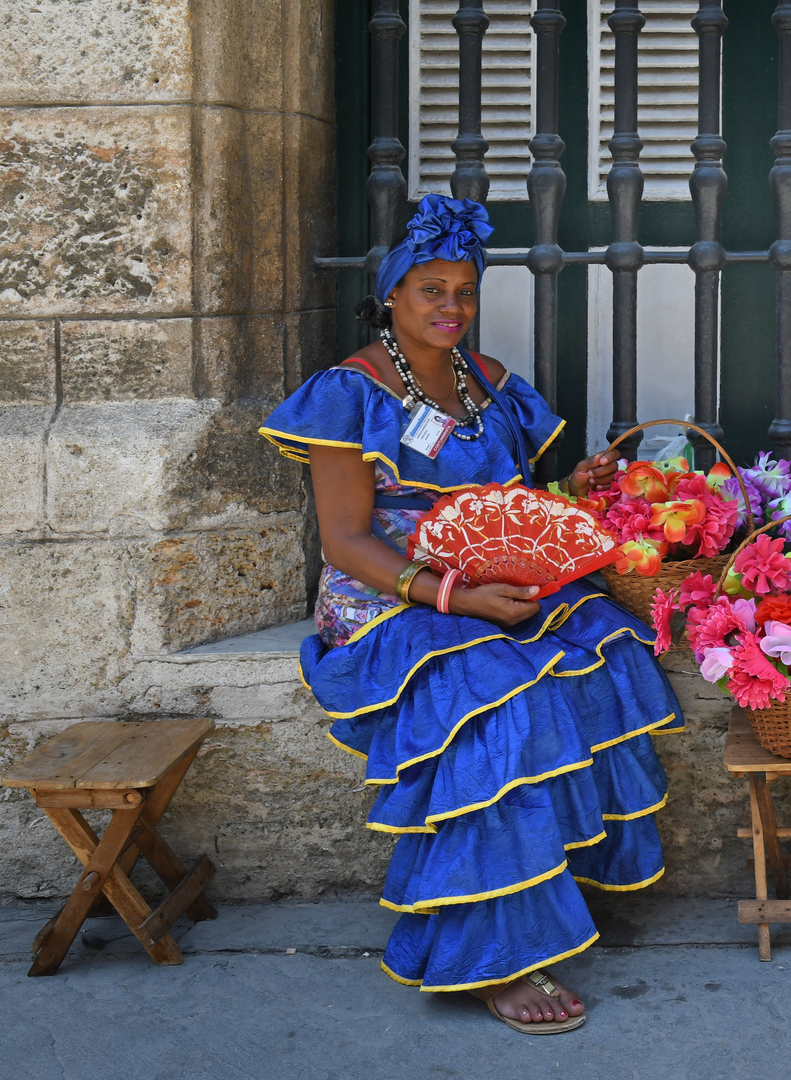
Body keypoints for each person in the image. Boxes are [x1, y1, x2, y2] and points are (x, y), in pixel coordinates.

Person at [259, 195, 682, 1033]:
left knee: (609, 654)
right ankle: (496, 949)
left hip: (489, 575)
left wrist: (569, 493)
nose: (451, 309)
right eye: (430, 291)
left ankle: (552, 888)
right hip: (392, 594)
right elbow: (345, 541)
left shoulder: (488, 383)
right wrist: (453, 596)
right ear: (391, 295)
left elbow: (507, 507)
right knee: (495, 703)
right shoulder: (350, 393)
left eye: (464, 291)